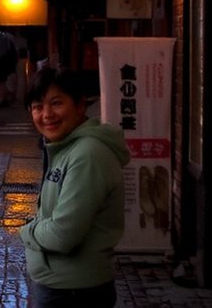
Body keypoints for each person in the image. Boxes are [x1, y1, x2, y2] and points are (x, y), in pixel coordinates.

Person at [19, 66, 130, 308]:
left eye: (56, 103)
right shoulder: (64, 148)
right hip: (61, 285)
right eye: (38, 107)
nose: (47, 114)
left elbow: (63, 235)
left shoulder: (87, 154)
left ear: (80, 105)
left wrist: (27, 231)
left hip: (74, 292)